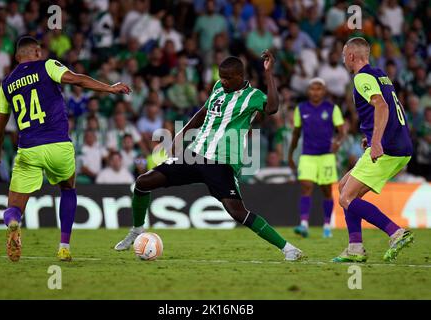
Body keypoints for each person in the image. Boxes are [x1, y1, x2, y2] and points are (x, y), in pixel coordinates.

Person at [115, 50, 304, 261]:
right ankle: (138, 229)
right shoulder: (218, 88)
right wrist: (180, 134)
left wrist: (269, 74)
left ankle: (288, 248)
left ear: (239, 77)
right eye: (221, 77)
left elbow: (273, 108)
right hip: (194, 155)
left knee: (237, 211)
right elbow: (203, 112)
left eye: (227, 78)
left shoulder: (253, 96)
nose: (222, 81)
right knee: (143, 182)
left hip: (222, 162)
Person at [0, 36, 130, 262]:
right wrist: (109, 88)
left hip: (28, 149)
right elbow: (77, 80)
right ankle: (64, 247)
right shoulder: (47, 65)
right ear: (37, 52)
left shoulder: (6, 83)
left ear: (16, 57)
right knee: (68, 188)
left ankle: (14, 223)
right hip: (58, 145)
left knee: (13, 206)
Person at [334, 37, 414, 263]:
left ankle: (396, 233)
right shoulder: (381, 75)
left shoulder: (362, 78)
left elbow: (381, 105)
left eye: (343, 55)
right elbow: (389, 107)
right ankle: (355, 248)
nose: (343, 59)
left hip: (388, 148)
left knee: (346, 198)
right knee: (344, 188)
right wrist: (370, 136)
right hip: (399, 144)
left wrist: (377, 141)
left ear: (351, 56)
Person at [288, 78, 345, 238]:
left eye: (318, 89)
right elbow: (296, 132)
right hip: (308, 155)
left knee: (327, 191)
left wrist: (338, 143)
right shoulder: (301, 108)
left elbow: (341, 132)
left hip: (326, 156)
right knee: (306, 187)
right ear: (308, 91)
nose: (315, 92)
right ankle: (304, 224)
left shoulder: (332, 108)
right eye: (312, 89)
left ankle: (327, 225)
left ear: (324, 91)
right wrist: (291, 153)